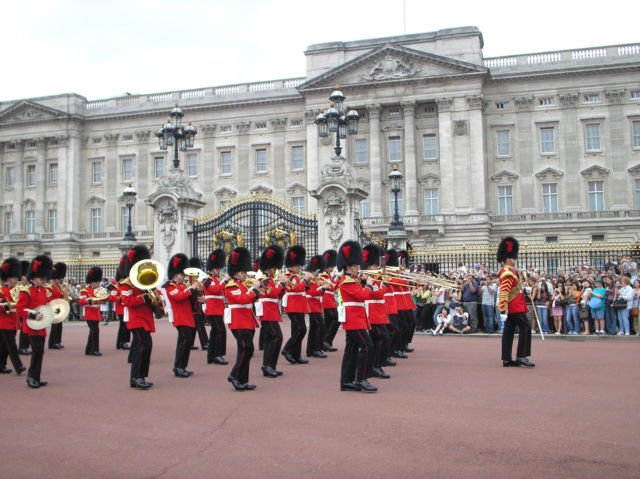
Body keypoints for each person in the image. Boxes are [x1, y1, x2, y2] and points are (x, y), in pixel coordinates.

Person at [337, 240, 378, 393]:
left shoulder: (352, 280)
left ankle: (346, 381)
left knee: (351, 350)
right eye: (355, 266)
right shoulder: (347, 281)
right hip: (354, 320)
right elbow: (361, 296)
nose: (357, 268)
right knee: (368, 346)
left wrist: (364, 282)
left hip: (357, 319)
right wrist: (368, 284)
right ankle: (361, 379)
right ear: (349, 266)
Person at [224, 247, 261, 391]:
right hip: (239, 321)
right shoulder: (231, 286)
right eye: (244, 272)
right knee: (247, 348)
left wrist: (256, 291)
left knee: (244, 350)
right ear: (238, 272)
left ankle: (243, 380)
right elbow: (242, 299)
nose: (246, 274)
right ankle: (234, 375)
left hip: (247, 320)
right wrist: (253, 290)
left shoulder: (242, 284)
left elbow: (250, 299)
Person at [120, 245, 156, 390]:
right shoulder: (127, 284)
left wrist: (155, 298)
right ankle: (137, 377)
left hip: (145, 318)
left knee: (145, 346)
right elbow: (127, 302)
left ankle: (138, 377)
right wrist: (143, 297)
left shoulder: (145, 282)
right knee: (144, 345)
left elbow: (151, 297)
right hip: (136, 319)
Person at [17, 255, 54, 388]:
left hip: (42, 326)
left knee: (40, 351)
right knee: (36, 350)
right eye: (42, 278)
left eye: (45, 278)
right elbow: (20, 308)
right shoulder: (26, 290)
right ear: (34, 276)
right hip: (31, 326)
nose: (44, 280)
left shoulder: (44, 290)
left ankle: (36, 377)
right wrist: (33, 315)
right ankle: (31, 377)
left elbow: (46, 305)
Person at [497, 237, 535, 368]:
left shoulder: (511, 271)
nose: (515, 259)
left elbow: (514, 289)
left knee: (509, 331)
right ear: (509, 258)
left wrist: (525, 290)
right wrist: (503, 310)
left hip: (515, 305)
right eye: (514, 257)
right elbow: (504, 292)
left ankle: (507, 359)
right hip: (514, 307)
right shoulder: (507, 272)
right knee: (526, 327)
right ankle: (521, 356)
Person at [163, 253, 200, 378]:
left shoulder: (182, 285)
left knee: (187, 342)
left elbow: (188, 297)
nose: (184, 277)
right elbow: (178, 297)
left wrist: (197, 296)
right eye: (182, 274)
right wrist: (191, 289)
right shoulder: (170, 286)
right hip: (180, 318)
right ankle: (178, 367)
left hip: (188, 317)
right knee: (183, 343)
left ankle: (183, 366)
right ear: (177, 274)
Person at [361, 244, 391, 380]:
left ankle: (375, 365)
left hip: (379, 312)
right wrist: (384, 285)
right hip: (372, 312)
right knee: (381, 339)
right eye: (374, 266)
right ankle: (374, 366)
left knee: (379, 340)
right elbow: (377, 294)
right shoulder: (366, 278)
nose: (376, 268)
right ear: (368, 266)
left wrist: (384, 279)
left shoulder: (376, 276)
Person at [256, 244, 286, 377]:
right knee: (276, 337)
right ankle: (268, 366)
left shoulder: (271, 280)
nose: (275, 270)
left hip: (272, 312)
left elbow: (277, 295)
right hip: (267, 313)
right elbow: (271, 293)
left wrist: (283, 286)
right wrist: (280, 284)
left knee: (271, 339)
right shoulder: (264, 280)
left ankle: (269, 366)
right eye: (274, 267)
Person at [281, 245, 310, 365]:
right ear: (292, 266)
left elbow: (303, 290)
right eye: (298, 265)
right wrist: (304, 280)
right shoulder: (288, 277)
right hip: (293, 306)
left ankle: (296, 355)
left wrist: (306, 282)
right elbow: (295, 289)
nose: (299, 268)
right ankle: (287, 349)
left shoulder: (297, 276)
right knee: (301, 330)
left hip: (300, 306)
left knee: (297, 331)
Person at [0, 257, 26, 375]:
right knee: (11, 345)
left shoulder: (18, 290)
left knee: (4, 345)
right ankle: (18, 366)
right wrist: (8, 307)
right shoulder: (1, 290)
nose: (15, 280)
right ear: (8, 279)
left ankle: (1, 365)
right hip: (4, 322)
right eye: (13, 278)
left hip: (14, 322)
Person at [204, 249, 228, 365]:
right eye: (217, 268)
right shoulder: (207, 280)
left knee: (215, 332)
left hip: (218, 309)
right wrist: (223, 281)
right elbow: (214, 290)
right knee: (220, 331)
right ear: (212, 269)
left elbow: (222, 291)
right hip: (213, 310)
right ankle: (218, 354)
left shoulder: (216, 280)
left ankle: (211, 356)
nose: (219, 271)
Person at [78, 267, 106, 356]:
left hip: (96, 314)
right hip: (90, 314)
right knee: (95, 331)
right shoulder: (85, 290)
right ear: (91, 282)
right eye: (96, 282)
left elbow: (103, 300)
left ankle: (88, 350)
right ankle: (95, 349)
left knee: (93, 331)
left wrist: (103, 299)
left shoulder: (99, 290)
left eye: (98, 282)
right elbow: (81, 302)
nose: (98, 284)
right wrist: (90, 301)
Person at [305, 255, 328, 359]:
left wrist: (322, 288)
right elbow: (311, 292)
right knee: (319, 326)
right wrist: (322, 289)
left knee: (314, 327)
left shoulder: (315, 278)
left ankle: (310, 350)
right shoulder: (309, 278)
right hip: (311, 304)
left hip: (316, 304)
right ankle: (316, 349)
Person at [188, 256, 209, 351]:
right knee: (199, 322)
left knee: (195, 324)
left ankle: (190, 343)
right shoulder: (190, 277)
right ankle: (205, 343)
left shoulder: (194, 276)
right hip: (193, 302)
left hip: (197, 301)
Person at [110, 256, 131, 350]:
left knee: (126, 326)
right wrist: (120, 299)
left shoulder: (125, 285)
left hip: (127, 308)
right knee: (123, 326)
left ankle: (124, 342)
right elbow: (112, 297)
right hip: (121, 309)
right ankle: (121, 342)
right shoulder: (116, 286)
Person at [320, 249, 339, 352]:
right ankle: (326, 341)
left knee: (329, 322)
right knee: (335, 319)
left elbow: (333, 288)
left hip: (330, 300)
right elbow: (330, 287)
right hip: (327, 301)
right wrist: (336, 281)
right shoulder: (323, 275)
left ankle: (326, 342)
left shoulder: (329, 275)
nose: (333, 267)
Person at [47, 262, 68, 349]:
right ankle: (53, 343)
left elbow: (63, 297)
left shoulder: (58, 287)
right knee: (54, 326)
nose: (59, 280)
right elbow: (48, 298)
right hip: (53, 308)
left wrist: (64, 291)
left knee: (59, 326)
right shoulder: (50, 287)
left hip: (59, 308)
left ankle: (57, 341)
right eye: (57, 279)